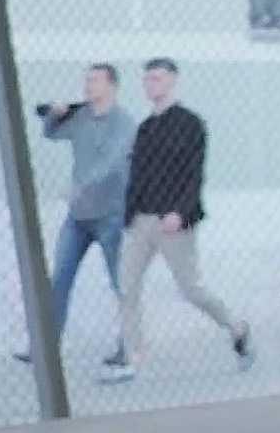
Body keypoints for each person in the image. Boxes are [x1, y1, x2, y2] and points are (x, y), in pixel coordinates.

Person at [111, 58, 250, 382]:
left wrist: (180, 212)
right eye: (147, 79)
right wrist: (130, 214)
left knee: (191, 288)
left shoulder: (190, 124)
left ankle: (237, 328)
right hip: (142, 220)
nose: (150, 85)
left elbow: (193, 174)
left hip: (173, 221)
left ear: (172, 80)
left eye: (157, 78)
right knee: (127, 287)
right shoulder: (145, 128)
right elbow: (138, 175)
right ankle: (133, 357)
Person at [15, 64, 130, 371]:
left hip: (110, 215)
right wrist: (55, 114)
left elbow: (111, 163)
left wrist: (80, 186)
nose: (88, 86)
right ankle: (46, 346)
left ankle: (130, 343)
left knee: (121, 282)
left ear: (111, 86)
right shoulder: (80, 117)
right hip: (78, 217)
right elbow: (51, 134)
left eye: (94, 81)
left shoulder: (123, 123)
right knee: (60, 278)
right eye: (87, 80)